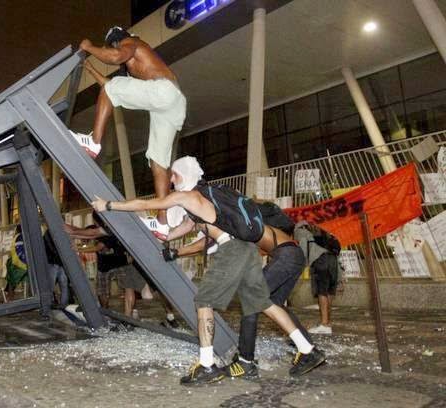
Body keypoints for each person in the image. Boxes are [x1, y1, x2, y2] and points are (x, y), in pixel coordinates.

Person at [91, 156, 325, 385]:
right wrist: (165, 239)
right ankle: (304, 350)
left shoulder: (188, 196)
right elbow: (180, 229)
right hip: (243, 249)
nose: (171, 181)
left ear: (182, 174)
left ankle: (207, 365)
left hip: (233, 250)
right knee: (260, 300)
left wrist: (109, 206)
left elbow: (148, 204)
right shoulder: (204, 200)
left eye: (174, 175)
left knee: (205, 301)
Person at [167, 211, 313, 378]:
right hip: (295, 256)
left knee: (251, 300)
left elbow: (204, 244)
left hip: (285, 256)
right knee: (274, 304)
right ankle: (308, 349)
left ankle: (246, 361)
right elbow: (208, 245)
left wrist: (176, 252)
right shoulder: (248, 219)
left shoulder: (235, 221)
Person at [75, 26, 186, 226]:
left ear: (116, 41)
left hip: (164, 91)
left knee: (113, 87)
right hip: (173, 102)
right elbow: (109, 87)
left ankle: (93, 142)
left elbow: (116, 57)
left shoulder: (132, 42)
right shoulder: (137, 60)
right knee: (158, 162)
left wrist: (89, 47)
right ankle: (162, 222)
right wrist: (90, 69)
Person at [295, 222, 343, 335]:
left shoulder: (300, 230)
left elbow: (303, 249)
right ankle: (327, 322)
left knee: (322, 292)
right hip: (333, 260)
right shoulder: (323, 230)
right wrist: (340, 276)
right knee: (329, 292)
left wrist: (301, 266)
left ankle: (324, 324)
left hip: (320, 261)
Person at [43, 229, 69, 308]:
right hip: (56, 262)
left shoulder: (48, 233)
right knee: (62, 284)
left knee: (52, 284)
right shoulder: (60, 232)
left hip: (54, 262)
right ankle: (62, 303)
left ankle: (52, 303)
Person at [5, 225, 28, 302]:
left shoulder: (17, 237)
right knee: (12, 281)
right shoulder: (22, 237)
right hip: (20, 263)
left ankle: (9, 296)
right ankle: (9, 296)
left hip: (16, 262)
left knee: (11, 281)